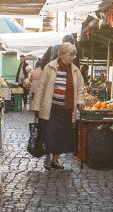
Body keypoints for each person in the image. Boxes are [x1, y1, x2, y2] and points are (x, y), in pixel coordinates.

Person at [28, 41, 86, 170]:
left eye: (74, 55)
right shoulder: (50, 67)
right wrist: (36, 106)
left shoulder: (75, 71)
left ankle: (55, 159)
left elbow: (80, 89)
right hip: (51, 108)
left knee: (62, 136)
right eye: (71, 55)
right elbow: (41, 88)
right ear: (62, 54)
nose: (72, 57)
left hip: (66, 109)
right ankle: (48, 157)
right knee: (49, 134)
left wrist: (80, 102)